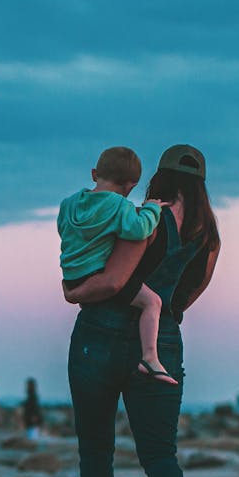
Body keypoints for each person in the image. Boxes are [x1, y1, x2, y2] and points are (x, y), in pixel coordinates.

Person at [61, 144, 220, 477]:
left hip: (101, 333)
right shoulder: (209, 233)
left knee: (96, 446)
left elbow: (114, 280)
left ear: (158, 178)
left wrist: (73, 293)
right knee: (160, 452)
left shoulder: (149, 218)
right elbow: (192, 291)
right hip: (162, 339)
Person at [58, 146, 177, 385]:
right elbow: (139, 229)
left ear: (94, 174)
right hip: (97, 274)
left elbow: (62, 227)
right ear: (131, 185)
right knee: (152, 302)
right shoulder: (119, 206)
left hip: (72, 274)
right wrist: (152, 208)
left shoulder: (69, 203)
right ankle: (150, 358)